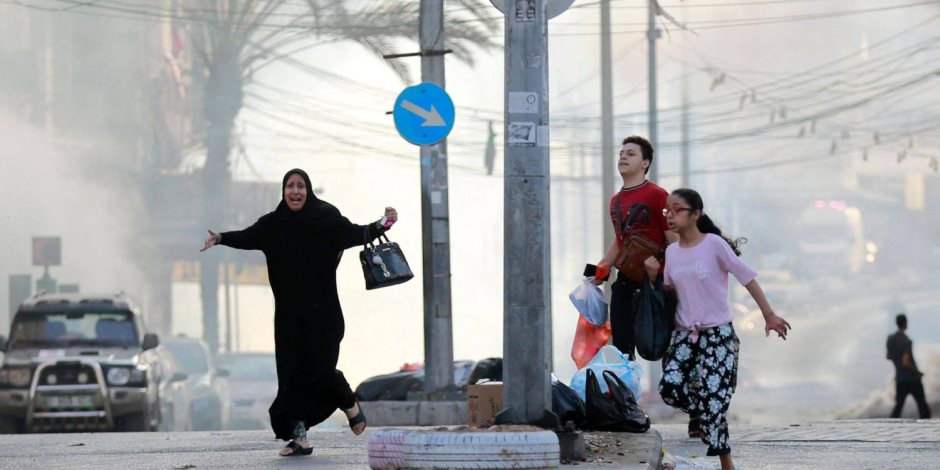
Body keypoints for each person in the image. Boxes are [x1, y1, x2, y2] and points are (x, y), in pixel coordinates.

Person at [201, 168, 398, 457]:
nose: (295, 191)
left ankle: (350, 404)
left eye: (300, 186)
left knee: (321, 372)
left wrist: (384, 223)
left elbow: (356, 233)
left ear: (308, 191)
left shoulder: (326, 219)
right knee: (291, 383)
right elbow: (246, 237)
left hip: (324, 317)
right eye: (290, 186)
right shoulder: (273, 225)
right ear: (283, 191)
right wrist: (219, 237)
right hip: (289, 321)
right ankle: (299, 437)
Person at [644, 188, 791, 470]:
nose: (670, 215)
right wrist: (652, 279)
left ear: (695, 214)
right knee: (670, 387)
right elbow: (670, 293)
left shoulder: (713, 245)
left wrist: (769, 315)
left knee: (714, 403)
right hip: (685, 335)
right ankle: (705, 409)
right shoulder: (672, 253)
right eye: (667, 210)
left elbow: (746, 277)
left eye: (677, 209)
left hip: (717, 335)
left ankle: (726, 461)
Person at [593, 135, 675, 360]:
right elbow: (621, 242)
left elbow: (673, 240)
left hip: (656, 282)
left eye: (630, 154)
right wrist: (597, 270)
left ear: (645, 163)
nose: (623, 157)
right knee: (621, 350)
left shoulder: (658, 195)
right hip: (626, 279)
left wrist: (673, 279)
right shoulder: (615, 201)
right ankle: (626, 393)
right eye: (621, 154)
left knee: (663, 344)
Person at [887, 313, 931, 419]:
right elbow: (906, 362)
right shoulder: (906, 340)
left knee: (898, 407)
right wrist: (917, 372)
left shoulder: (890, 339)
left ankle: (889, 430)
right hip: (912, 379)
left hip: (900, 379)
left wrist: (898, 363)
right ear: (905, 323)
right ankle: (928, 432)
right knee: (923, 407)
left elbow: (888, 356)